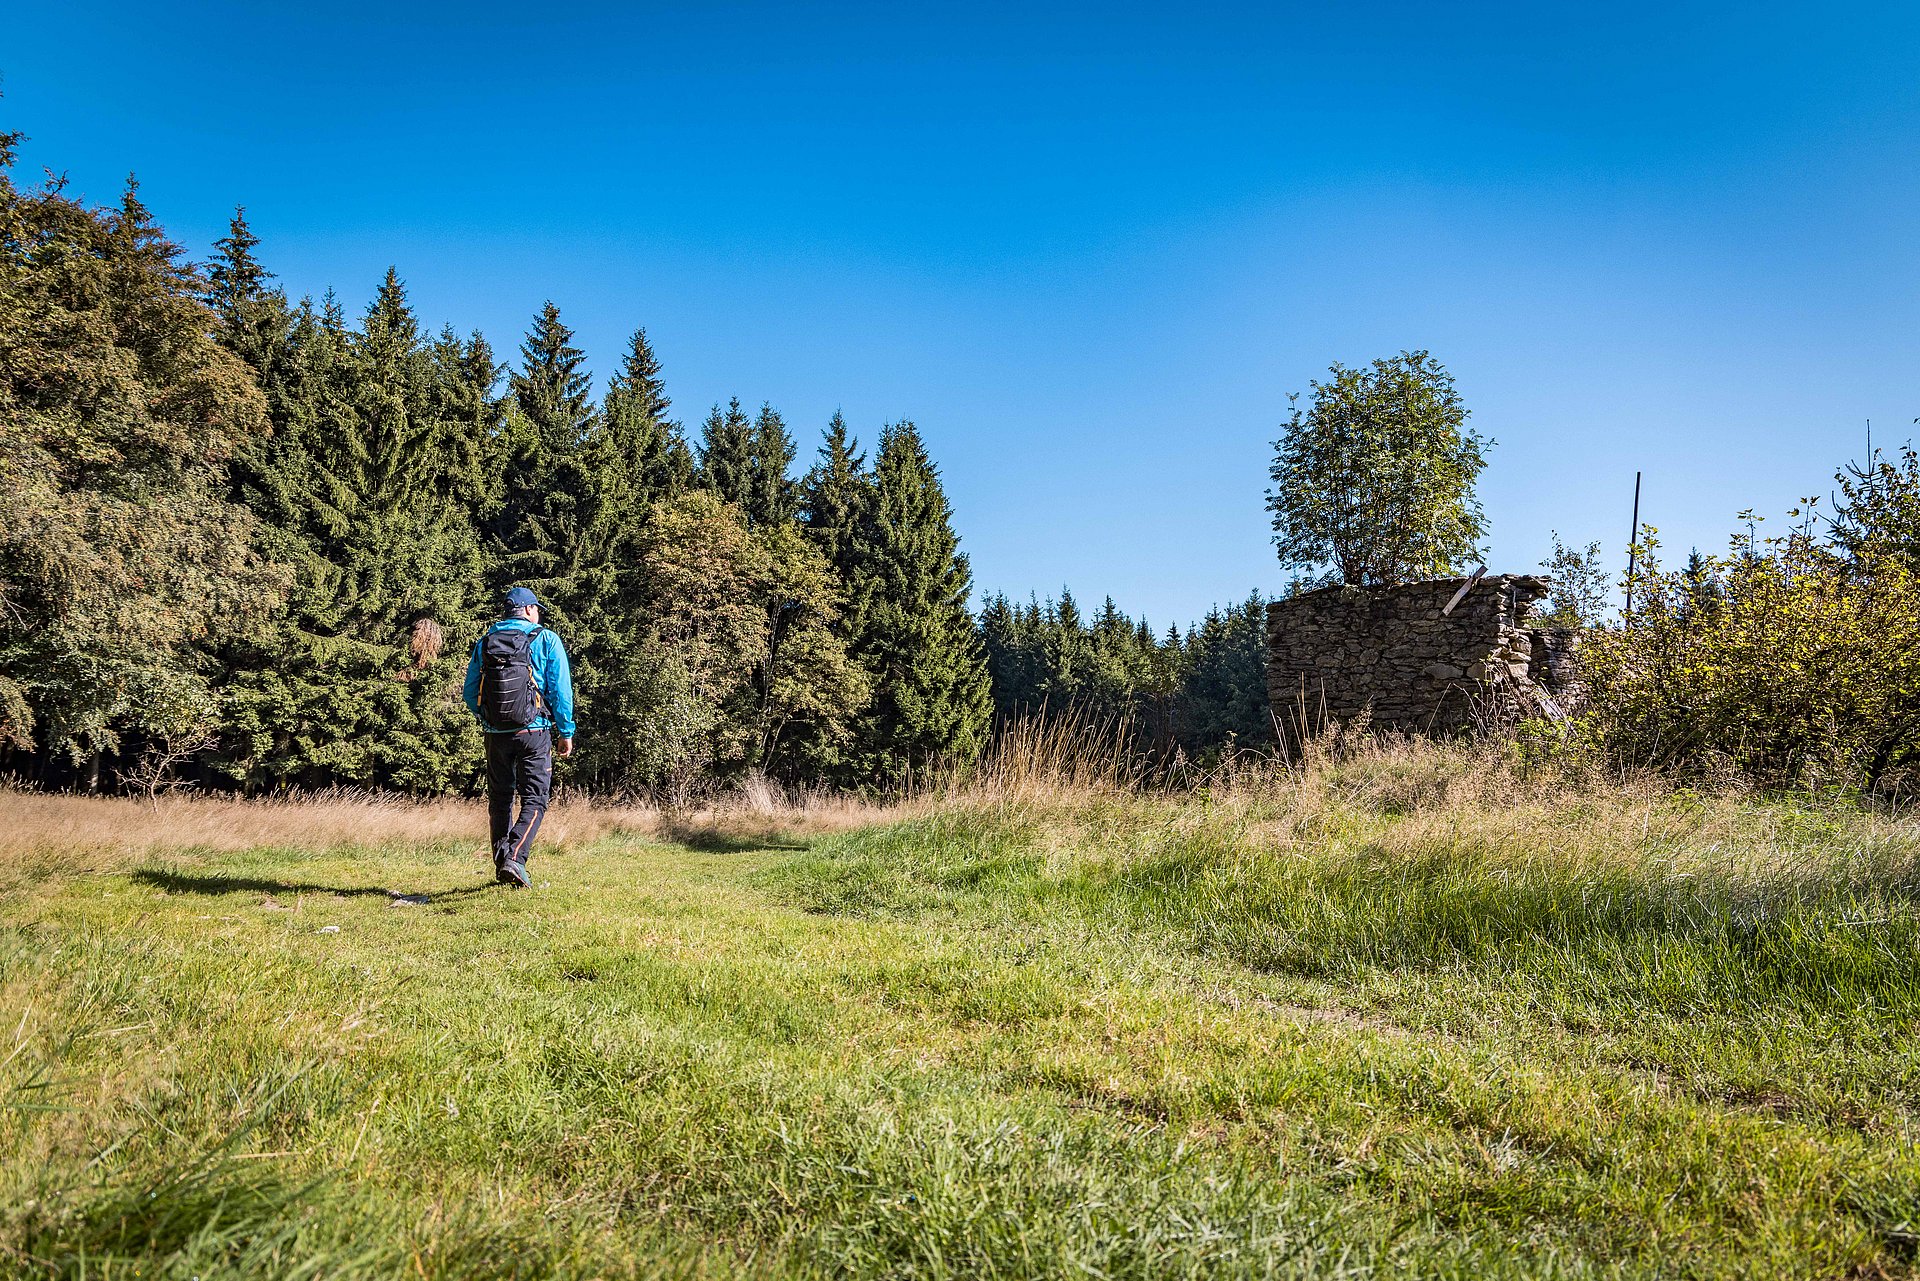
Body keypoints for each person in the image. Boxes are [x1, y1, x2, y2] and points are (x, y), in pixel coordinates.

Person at [463, 586, 575, 888]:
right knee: (535, 799)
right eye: (536, 608)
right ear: (527, 610)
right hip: (534, 731)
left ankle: (503, 865)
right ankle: (514, 857)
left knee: (500, 800)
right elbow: (560, 690)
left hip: (495, 735)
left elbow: (469, 692)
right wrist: (566, 731)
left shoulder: (485, 642)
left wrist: (488, 718)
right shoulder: (546, 639)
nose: (537, 613)